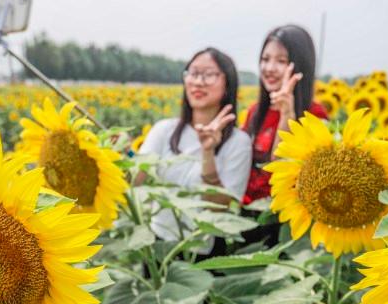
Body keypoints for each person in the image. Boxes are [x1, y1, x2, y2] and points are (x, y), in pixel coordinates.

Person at [136, 47, 252, 257]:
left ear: (227, 84)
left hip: (204, 252)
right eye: (193, 73)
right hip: (159, 246)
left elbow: (221, 210)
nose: (198, 82)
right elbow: (135, 180)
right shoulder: (164, 130)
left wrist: (208, 153)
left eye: (208, 75)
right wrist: (117, 157)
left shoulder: (238, 143)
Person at [241, 25, 328, 246]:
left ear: (300, 67)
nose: (269, 68)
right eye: (265, 58)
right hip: (246, 217)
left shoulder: (315, 115)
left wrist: (286, 115)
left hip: (284, 223)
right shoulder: (255, 112)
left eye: (281, 61)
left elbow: (284, 173)